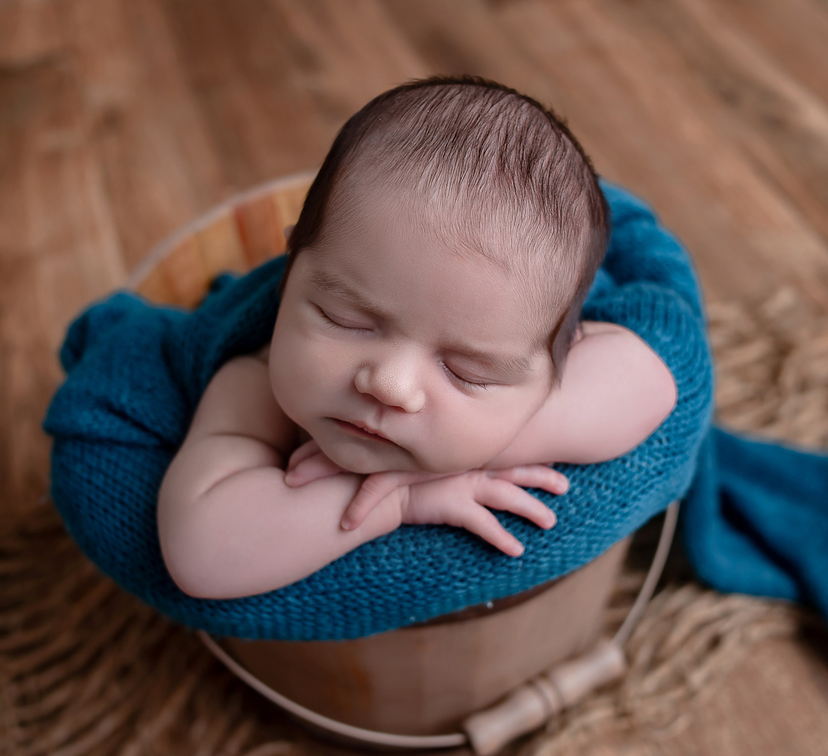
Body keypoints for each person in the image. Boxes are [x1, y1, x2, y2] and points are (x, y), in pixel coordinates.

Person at [157, 76, 678, 600]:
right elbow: (201, 556)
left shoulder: (531, 356)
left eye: (466, 371)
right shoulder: (251, 387)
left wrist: (478, 448)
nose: (390, 385)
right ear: (291, 266)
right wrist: (393, 502)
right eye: (346, 319)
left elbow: (651, 383)